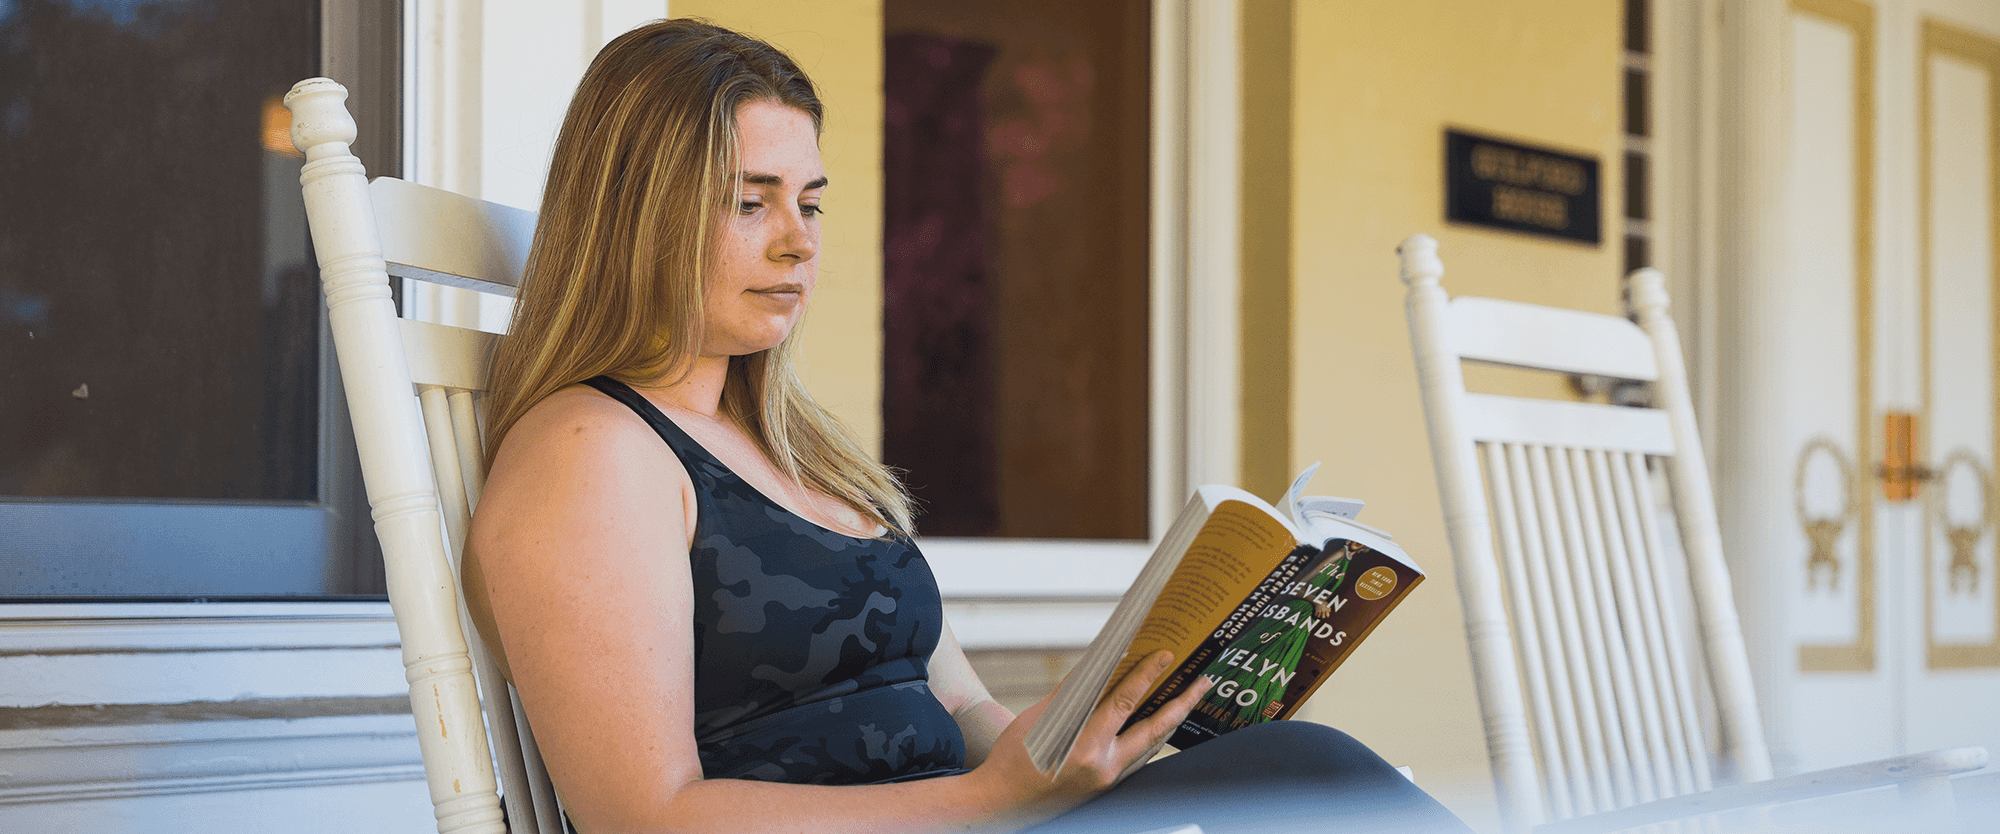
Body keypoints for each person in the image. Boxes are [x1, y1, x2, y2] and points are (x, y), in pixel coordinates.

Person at [463, 18, 1472, 834]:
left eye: (810, 204)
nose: (795, 243)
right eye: (747, 202)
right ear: (636, 213)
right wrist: (992, 803)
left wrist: (1087, 742)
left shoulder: (799, 448)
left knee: (1285, 783)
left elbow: (968, 715)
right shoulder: (590, 453)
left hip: (984, 821)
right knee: (1303, 780)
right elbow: (646, 817)